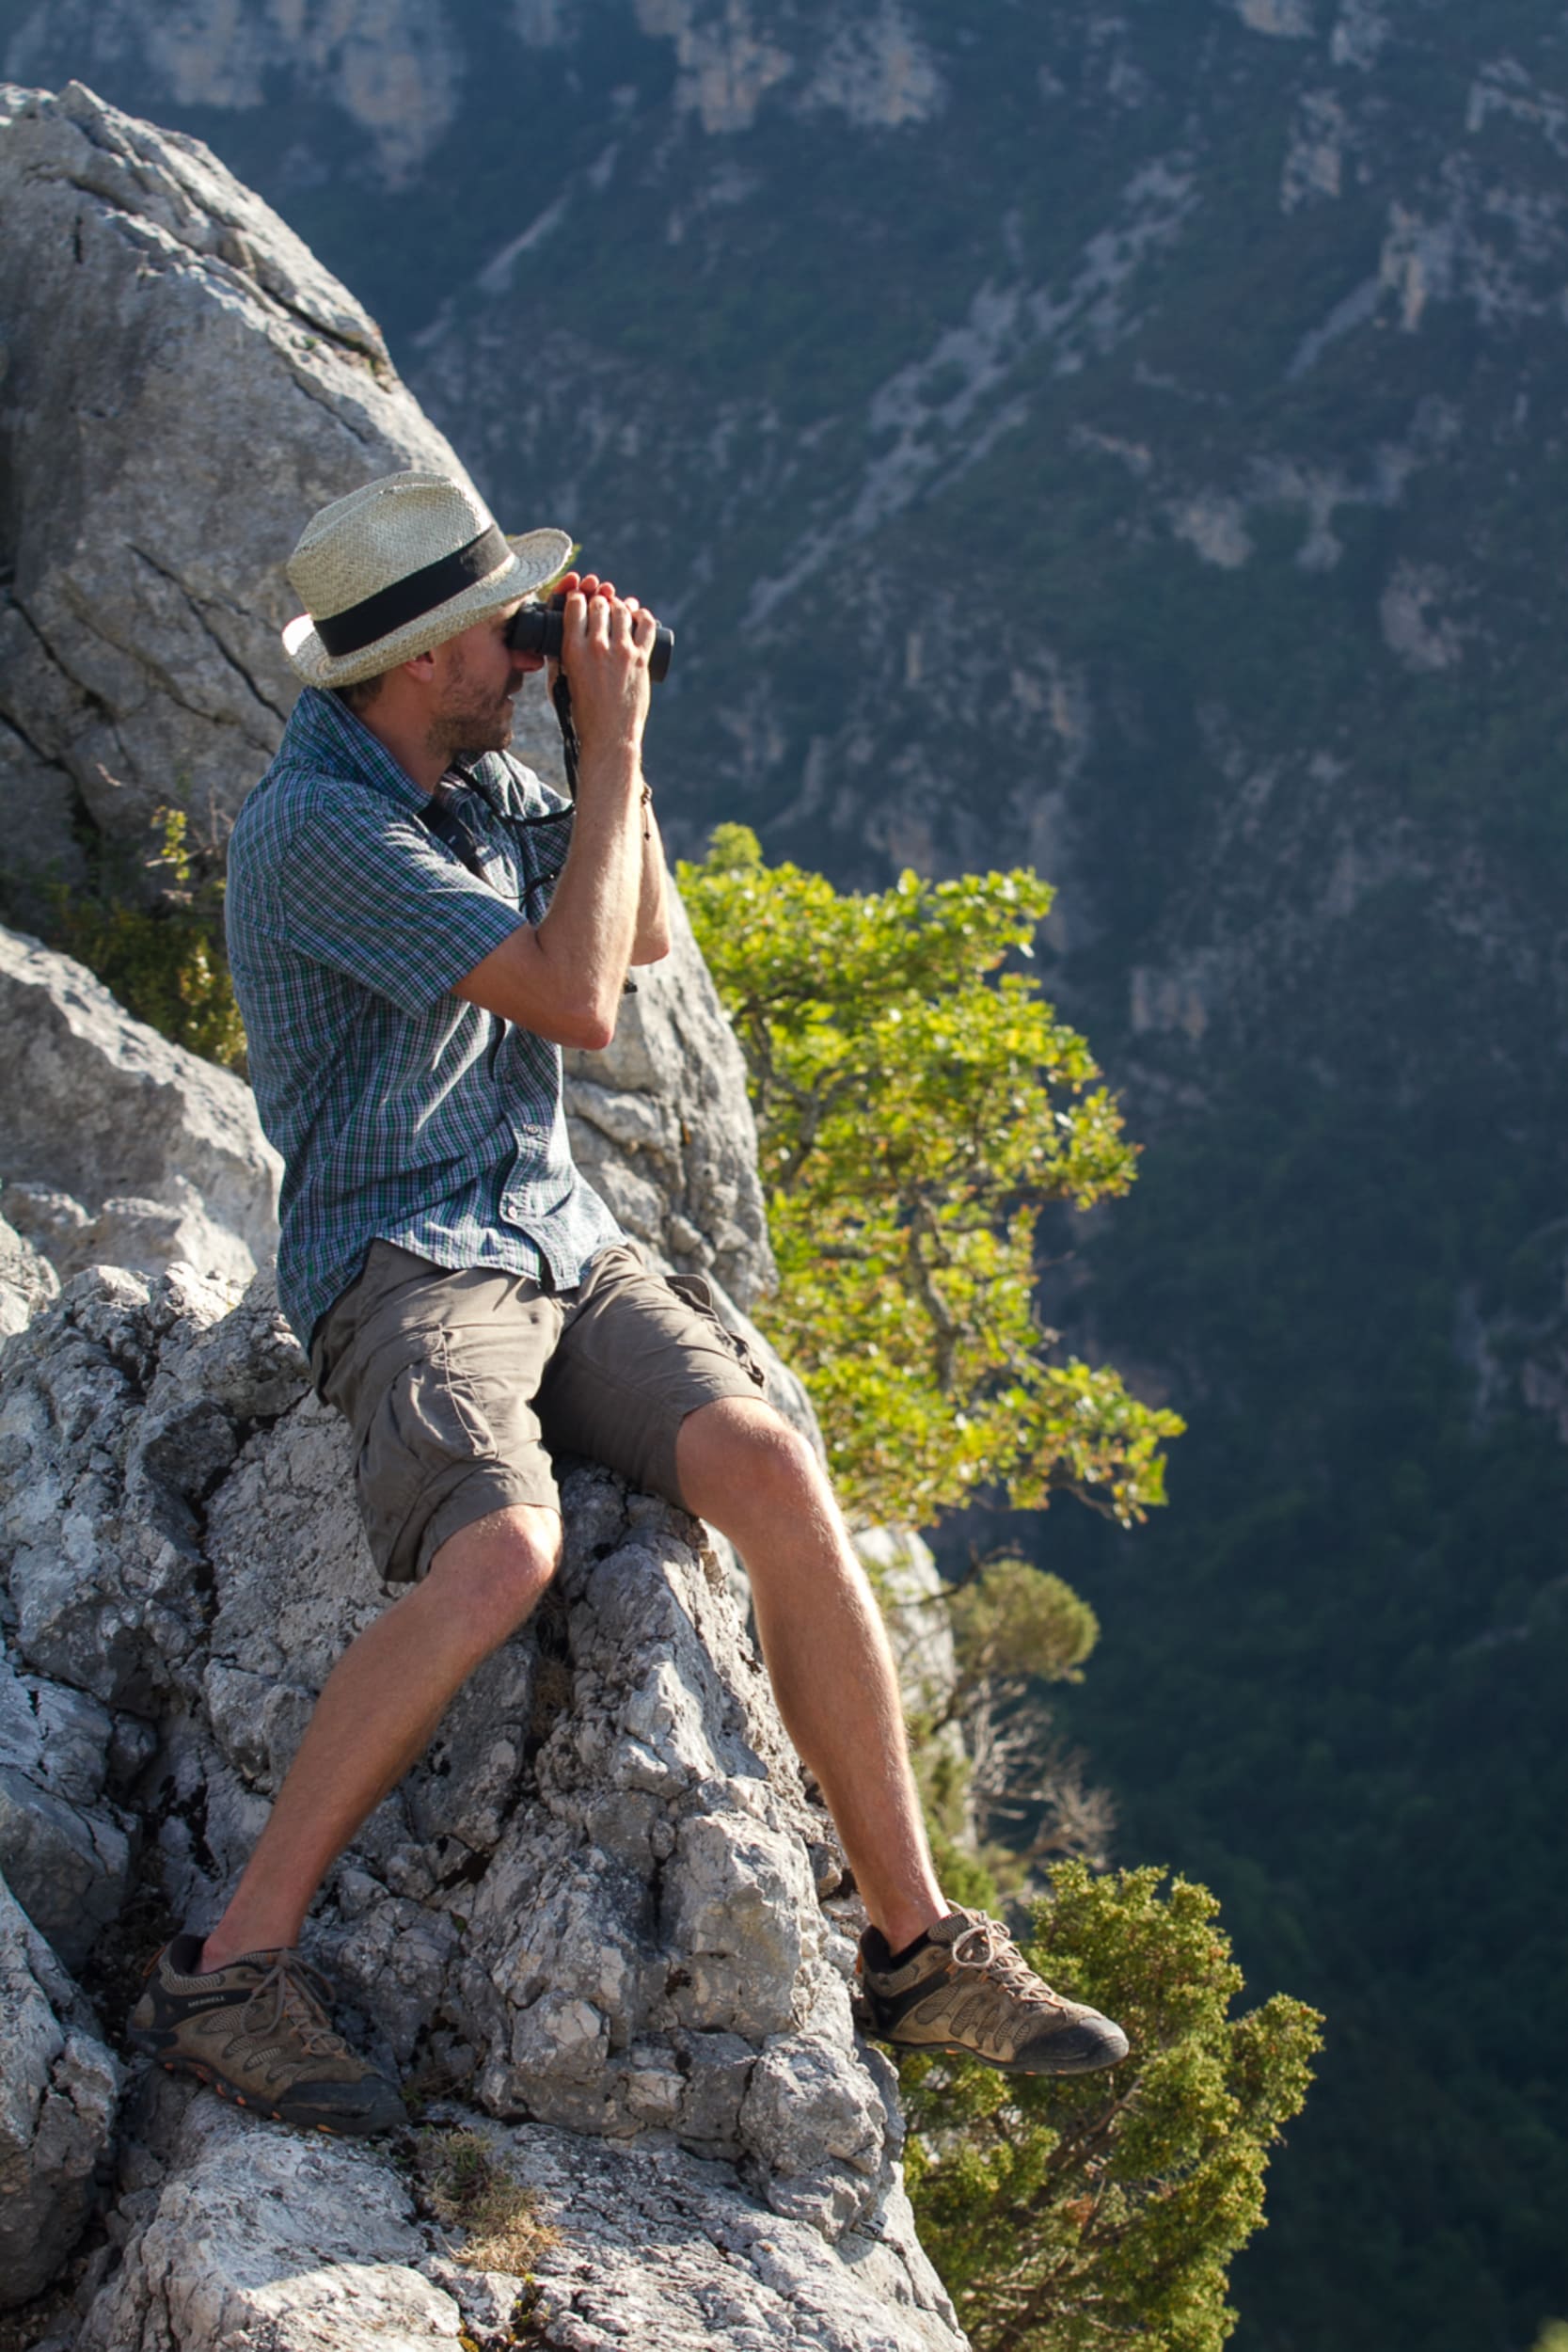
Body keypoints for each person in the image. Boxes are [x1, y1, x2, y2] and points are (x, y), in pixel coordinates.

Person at [129, 469, 1129, 2132]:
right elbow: (579, 1002)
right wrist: (605, 740)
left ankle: (918, 1946)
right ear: (413, 662)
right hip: (402, 1256)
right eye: (495, 642)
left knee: (767, 1464)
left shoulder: (479, 776)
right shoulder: (323, 828)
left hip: (549, 1228)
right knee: (503, 1555)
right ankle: (230, 1967)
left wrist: (609, 748)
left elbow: (645, 925)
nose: (523, 657)